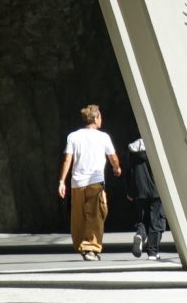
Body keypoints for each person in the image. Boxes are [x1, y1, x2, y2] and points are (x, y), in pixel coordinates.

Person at [57, 105, 121, 260]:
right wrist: (116, 168)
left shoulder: (73, 136)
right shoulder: (103, 137)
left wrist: (61, 181)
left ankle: (81, 245)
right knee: (96, 214)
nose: (101, 120)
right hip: (95, 181)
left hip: (77, 184)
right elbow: (112, 157)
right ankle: (91, 248)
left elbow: (67, 159)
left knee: (78, 217)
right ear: (96, 118)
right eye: (100, 117)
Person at [128, 137, 168, 260]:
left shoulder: (132, 149)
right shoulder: (158, 147)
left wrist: (130, 190)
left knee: (142, 218)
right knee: (156, 220)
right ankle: (153, 252)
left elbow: (130, 171)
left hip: (140, 190)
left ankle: (140, 235)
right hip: (157, 190)